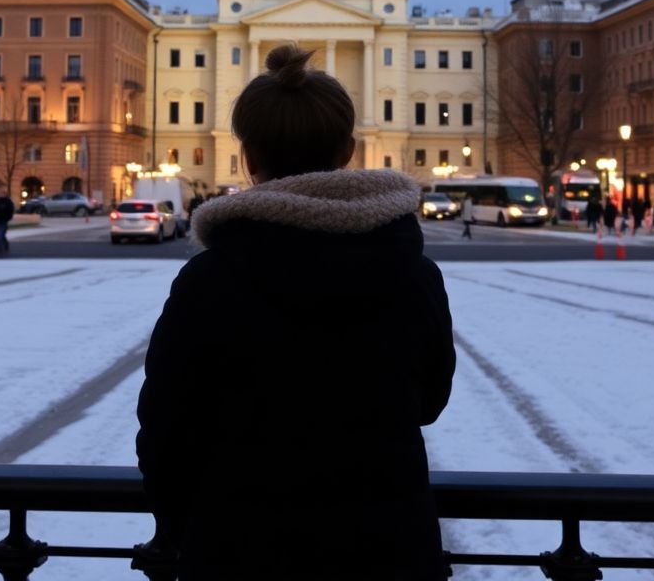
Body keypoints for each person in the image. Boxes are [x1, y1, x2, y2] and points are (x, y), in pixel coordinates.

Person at [136, 44, 455, 581]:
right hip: (386, 552)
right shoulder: (414, 273)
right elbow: (429, 401)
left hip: (240, 553)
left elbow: (165, 432)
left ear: (247, 158)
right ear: (348, 150)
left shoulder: (209, 280)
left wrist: (187, 531)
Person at [0, 188, 15, 256]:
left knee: (1, 234)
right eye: (1, 193)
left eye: (3, 193)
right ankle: (1, 247)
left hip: (4, 220)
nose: (2, 195)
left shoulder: (8, 202)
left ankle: (2, 246)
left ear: (5, 194)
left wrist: (8, 218)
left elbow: (11, 211)